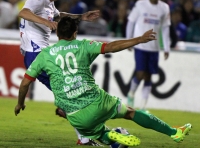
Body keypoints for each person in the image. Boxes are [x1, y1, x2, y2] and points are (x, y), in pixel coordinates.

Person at [14, 16, 192, 147]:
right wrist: (139, 39)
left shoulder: (44, 55)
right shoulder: (83, 45)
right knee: (130, 112)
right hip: (98, 103)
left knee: (97, 133)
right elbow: (112, 47)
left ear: (57, 33)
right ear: (75, 33)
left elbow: (24, 83)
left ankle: (112, 136)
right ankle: (174, 133)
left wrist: (20, 103)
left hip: (75, 116)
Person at [18, 0, 101, 146]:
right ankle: (84, 136)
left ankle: (81, 133)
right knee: (68, 92)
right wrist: (46, 22)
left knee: (66, 92)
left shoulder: (48, 3)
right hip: (36, 54)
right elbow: (23, 12)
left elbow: (60, 15)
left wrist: (81, 17)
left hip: (41, 54)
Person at [126, 0, 171, 111]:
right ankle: (131, 93)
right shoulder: (140, 5)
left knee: (149, 76)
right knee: (140, 74)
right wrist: (130, 40)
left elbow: (165, 28)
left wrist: (166, 47)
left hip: (154, 47)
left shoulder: (164, 8)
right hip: (140, 46)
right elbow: (131, 21)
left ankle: (143, 106)